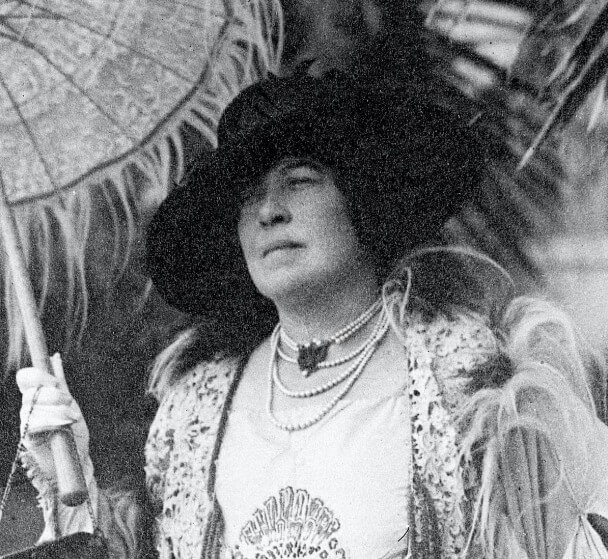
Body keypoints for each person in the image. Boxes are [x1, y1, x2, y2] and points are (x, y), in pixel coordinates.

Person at [16, 69, 608, 559]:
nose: (269, 211)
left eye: (300, 181)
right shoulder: (191, 414)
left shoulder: (472, 386)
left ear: (361, 201)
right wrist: (71, 488)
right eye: (249, 198)